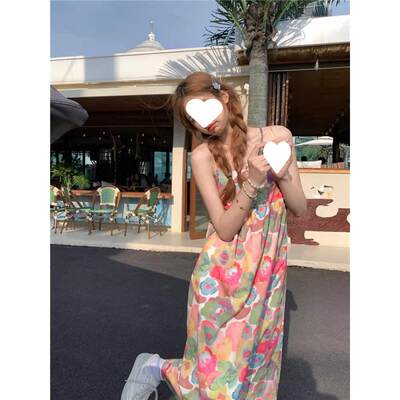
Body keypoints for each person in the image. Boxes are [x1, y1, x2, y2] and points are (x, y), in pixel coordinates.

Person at [120, 72, 307, 400]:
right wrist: (252, 181)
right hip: (220, 277)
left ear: (223, 97)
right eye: (193, 118)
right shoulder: (202, 157)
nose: (203, 121)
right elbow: (224, 228)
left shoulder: (277, 137)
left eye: (205, 106)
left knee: (257, 364)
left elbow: (299, 207)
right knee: (218, 376)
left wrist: (281, 173)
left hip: (266, 276)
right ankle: (156, 366)